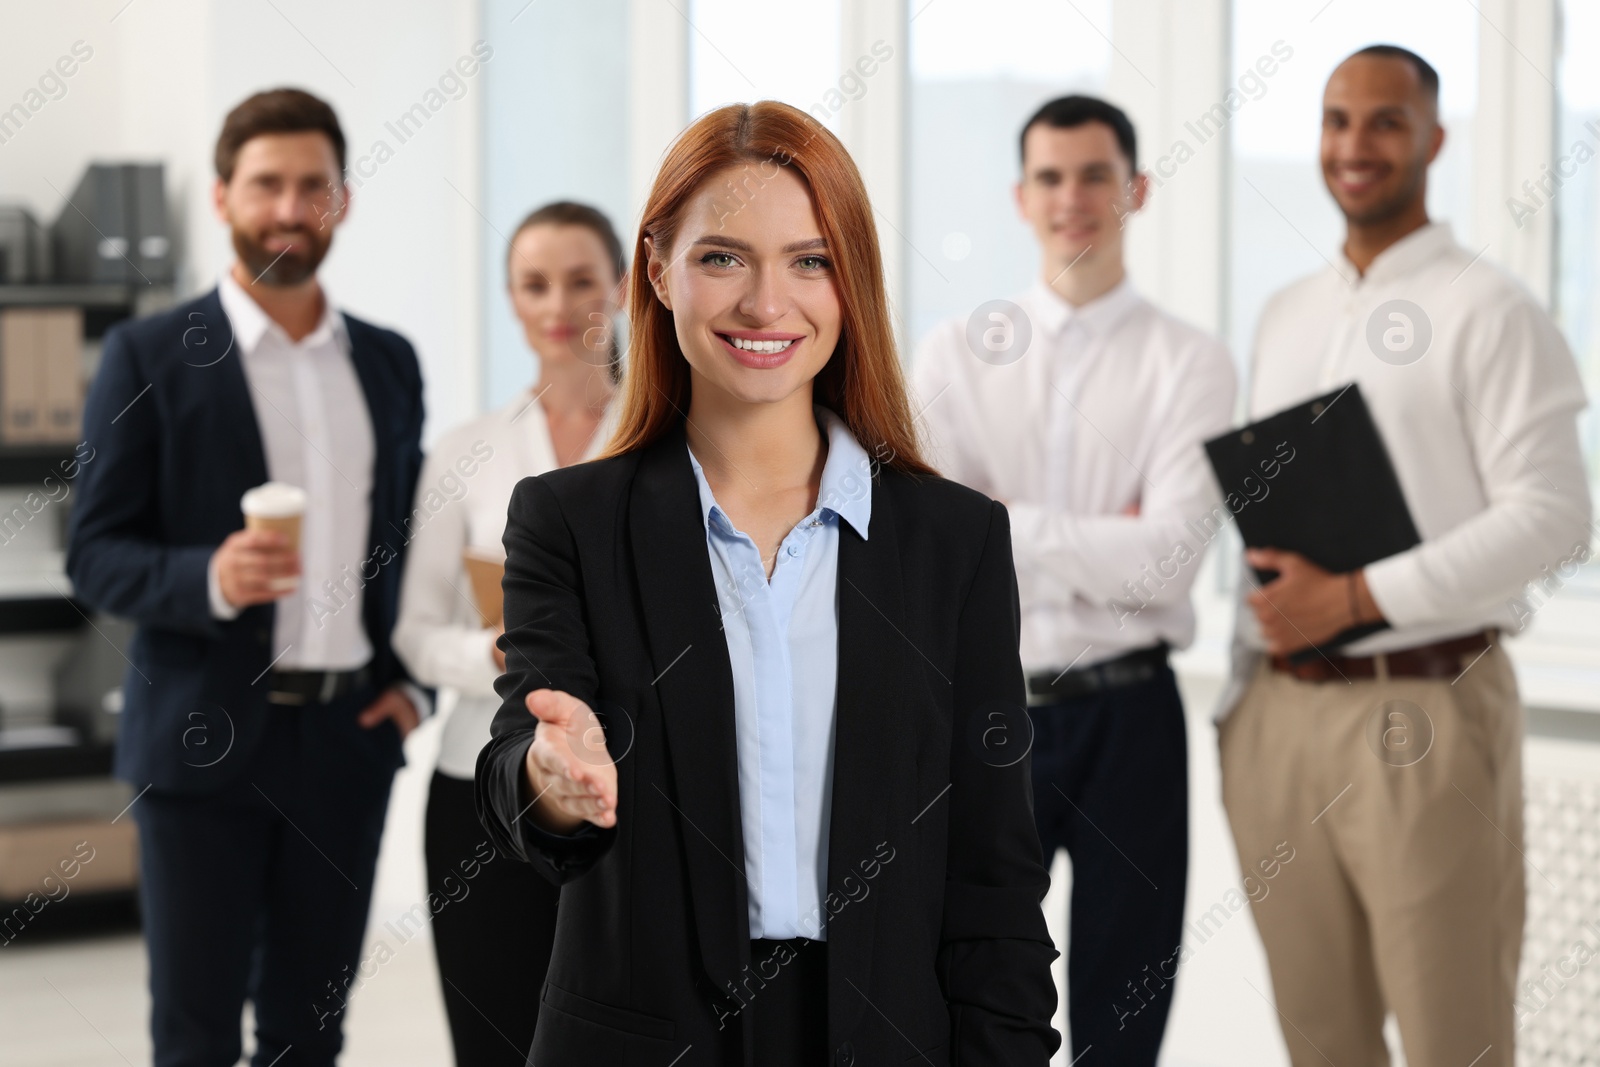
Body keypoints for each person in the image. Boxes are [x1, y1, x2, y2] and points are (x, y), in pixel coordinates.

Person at [473, 100, 1060, 1066]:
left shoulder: (953, 540)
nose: (765, 303)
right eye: (722, 258)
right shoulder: (567, 519)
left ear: (850, 283)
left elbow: (993, 873)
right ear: (658, 269)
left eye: (809, 260)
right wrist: (548, 781)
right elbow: (517, 772)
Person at [1219, 45, 1591, 1067]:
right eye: (1337, 120)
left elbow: (1557, 514)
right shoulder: (1284, 312)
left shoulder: (1493, 308)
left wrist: (1353, 594)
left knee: (1451, 1037)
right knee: (1320, 1036)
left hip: (1420, 711)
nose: (1354, 145)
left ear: (1432, 139)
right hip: (1280, 716)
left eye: (1384, 122)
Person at [66, 88, 427, 1067]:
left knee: (310, 1032)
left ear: (341, 202)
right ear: (224, 196)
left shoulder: (388, 363)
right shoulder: (147, 353)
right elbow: (93, 552)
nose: (289, 206)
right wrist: (212, 575)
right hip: (197, 744)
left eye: (313, 185)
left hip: (345, 744)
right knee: (194, 1033)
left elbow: (410, 544)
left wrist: (412, 683)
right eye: (266, 183)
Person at [910, 95, 1236, 1063]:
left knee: (1123, 1002)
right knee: (964, 987)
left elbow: (1171, 556)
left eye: (1095, 174)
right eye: (1051, 177)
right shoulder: (955, 352)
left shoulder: (1190, 361)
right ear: (1021, 196)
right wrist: (1100, 537)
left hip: (1130, 715)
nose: (1073, 197)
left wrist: (998, 520)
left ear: (1134, 188)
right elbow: (935, 548)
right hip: (983, 712)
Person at [392, 200, 623, 1066]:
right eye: (534, 283)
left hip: (627, 787)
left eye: (580, 280)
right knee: (494, 1032)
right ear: (511, 297)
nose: (558, 303)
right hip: (480, 787)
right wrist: (491, 654)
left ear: (626, 289)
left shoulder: (669, 442)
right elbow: (416, 633)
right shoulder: (465, 451)